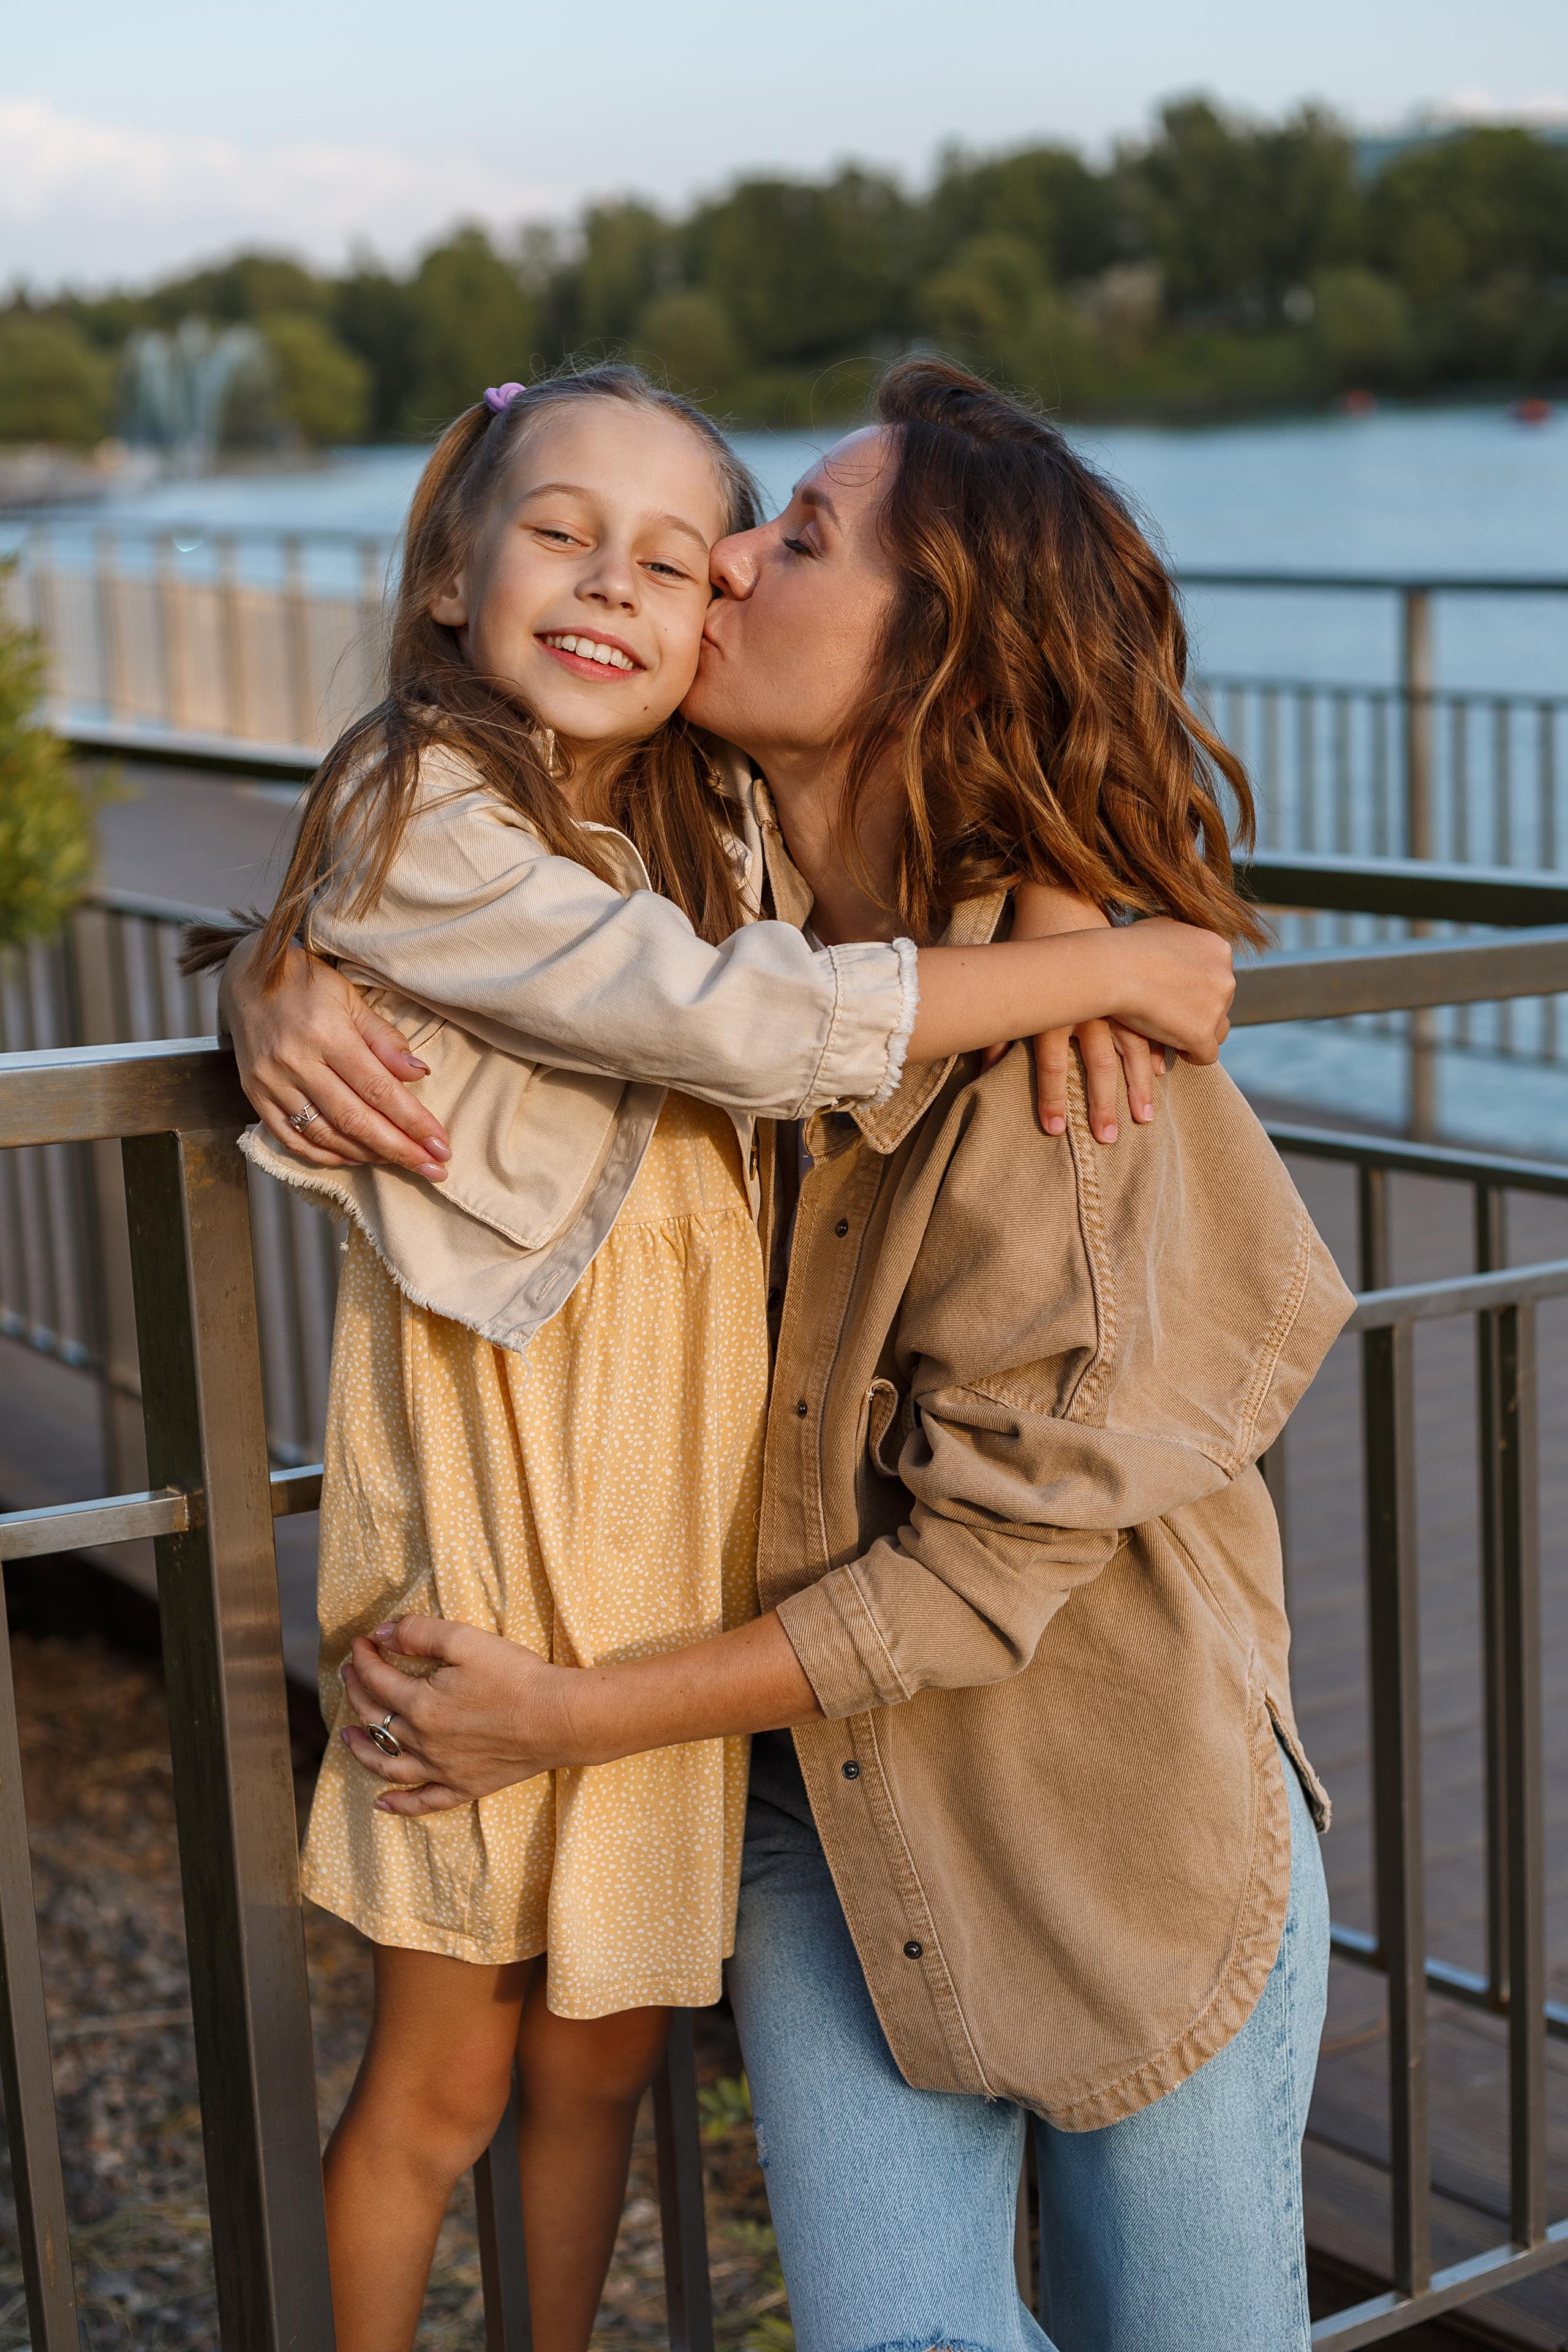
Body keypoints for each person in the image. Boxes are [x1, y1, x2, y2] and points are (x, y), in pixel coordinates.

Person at [206, 361, 1235, 2352]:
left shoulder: (709, 808)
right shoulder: (421, 805)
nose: (625, 588)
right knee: (447, 2079)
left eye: (683, 561)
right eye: (562, 535)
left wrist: (1063, 883)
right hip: (502, 1538)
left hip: (677, 1564)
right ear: (450, 571)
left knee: (600, 2071)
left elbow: (954, 800)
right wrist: (1102, 963)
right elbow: (738, 1022)